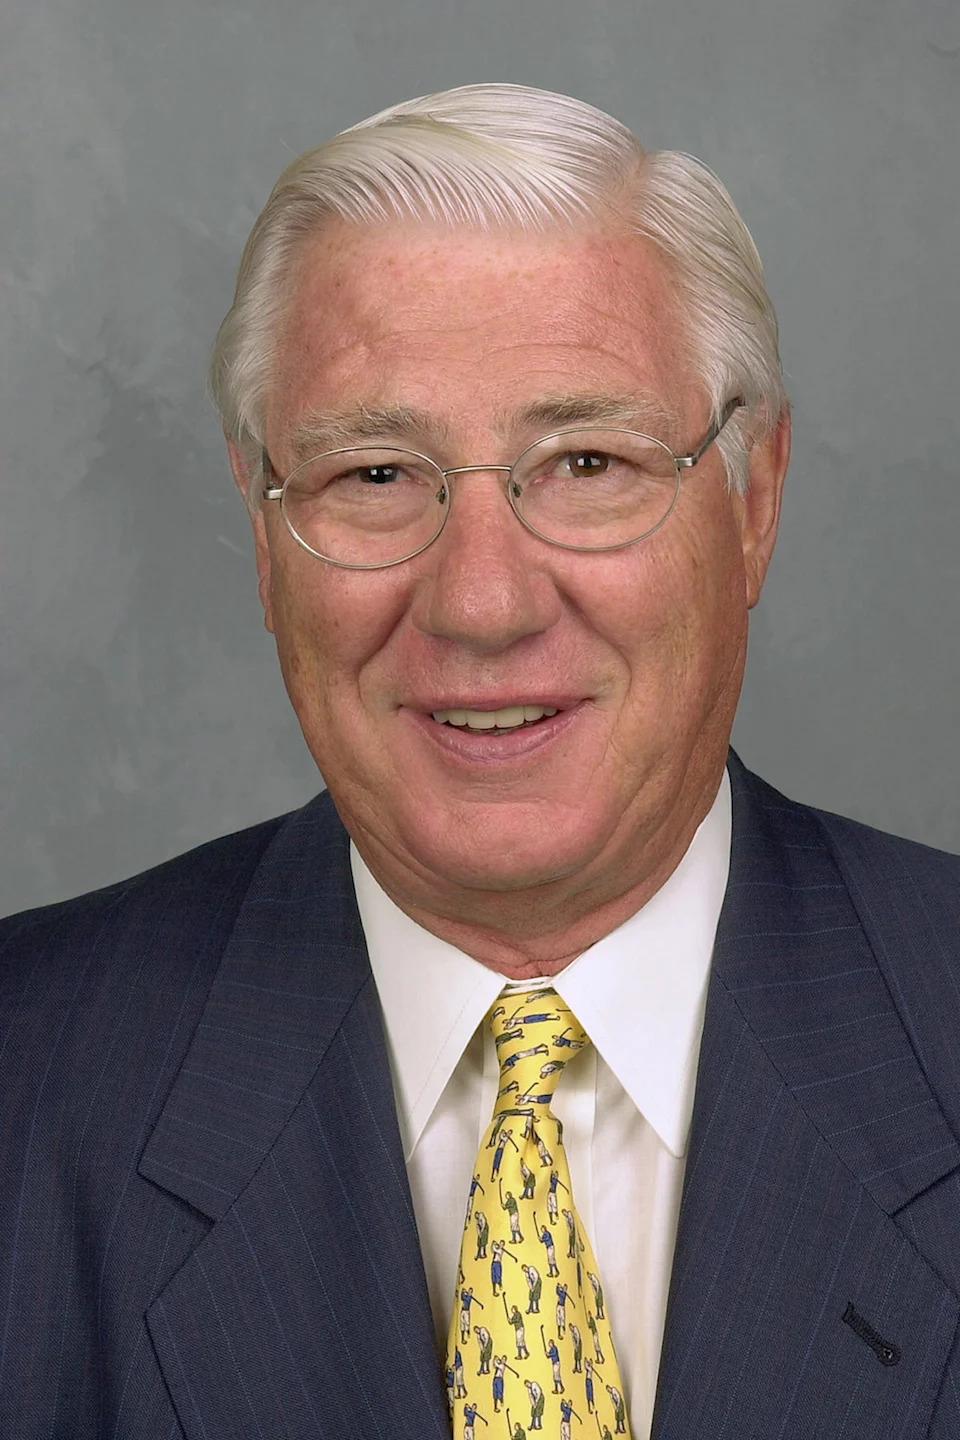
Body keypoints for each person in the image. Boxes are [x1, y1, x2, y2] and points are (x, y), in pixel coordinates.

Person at [1, 81, 958, 1440]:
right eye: (375, 476)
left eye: (587, 463)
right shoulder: (28, 1083)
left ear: (753, 502)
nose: (483, 603)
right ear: (263, 536)